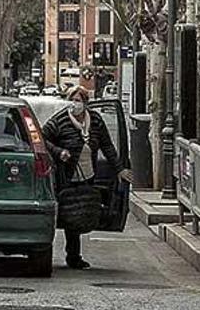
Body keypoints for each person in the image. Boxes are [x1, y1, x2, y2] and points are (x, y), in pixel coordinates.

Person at [41, 85, 134, 269]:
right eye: (72, 100)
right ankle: (67, 255)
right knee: (68, 213)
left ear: (86, 103)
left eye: (79, 100)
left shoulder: (96, 121)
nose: (76, 104)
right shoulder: (59, 121)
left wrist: (119, 169)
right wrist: (59, 152)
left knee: (81, 212)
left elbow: (107, 146)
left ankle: (74, 255)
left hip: (88, 174)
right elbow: (42, 138)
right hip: (65, 175)